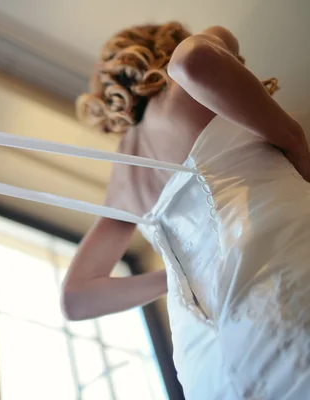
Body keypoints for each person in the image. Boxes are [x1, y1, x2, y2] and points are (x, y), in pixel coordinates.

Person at [61, 22, 310, 399]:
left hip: (204, 357)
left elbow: (76, 299)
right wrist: (295, 141)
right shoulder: (183, 87)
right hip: (272, 266)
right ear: (164, 44)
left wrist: (177, 279)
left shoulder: (121, 179)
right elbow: (193, 60)